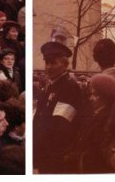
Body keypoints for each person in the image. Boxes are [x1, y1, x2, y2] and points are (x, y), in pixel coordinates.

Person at [33, 41, 83, 174]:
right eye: (47, 63)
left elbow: (61, 126)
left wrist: (39, 153)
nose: (48, 67)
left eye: (53, 63)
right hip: (44, 153)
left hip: (54, 156)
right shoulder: (52, 86)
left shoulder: (69, 88)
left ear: (65, 65)